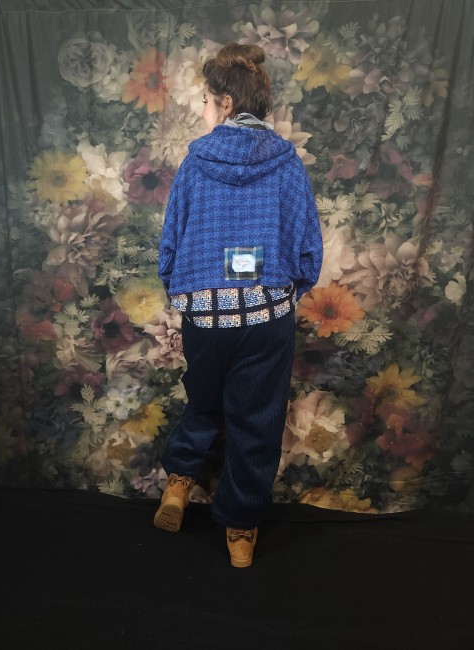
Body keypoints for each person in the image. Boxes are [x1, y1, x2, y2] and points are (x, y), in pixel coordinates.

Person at [154, 42, 323, 568]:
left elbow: (170, 246)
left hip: (205, 316)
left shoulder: (194, 164)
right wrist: (280, 296)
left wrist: (189, 295)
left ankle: (179, 481)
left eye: (206, 101)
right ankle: (241, 530)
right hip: (266, 317)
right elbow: (307, 250)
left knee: (203, 401)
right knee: (256, 421)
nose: (203, 110)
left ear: (225, 103)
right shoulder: (287, 165)